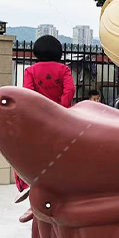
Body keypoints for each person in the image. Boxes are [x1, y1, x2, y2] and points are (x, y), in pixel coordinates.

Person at [17, 35, 75, 191]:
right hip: (61, 118)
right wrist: (61, 108)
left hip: (38, 119)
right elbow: (70, 89)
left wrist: (39, 110)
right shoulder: (64, 69)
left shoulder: (30, 71)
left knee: (37, 150)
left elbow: (28, 93)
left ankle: (31, 182)